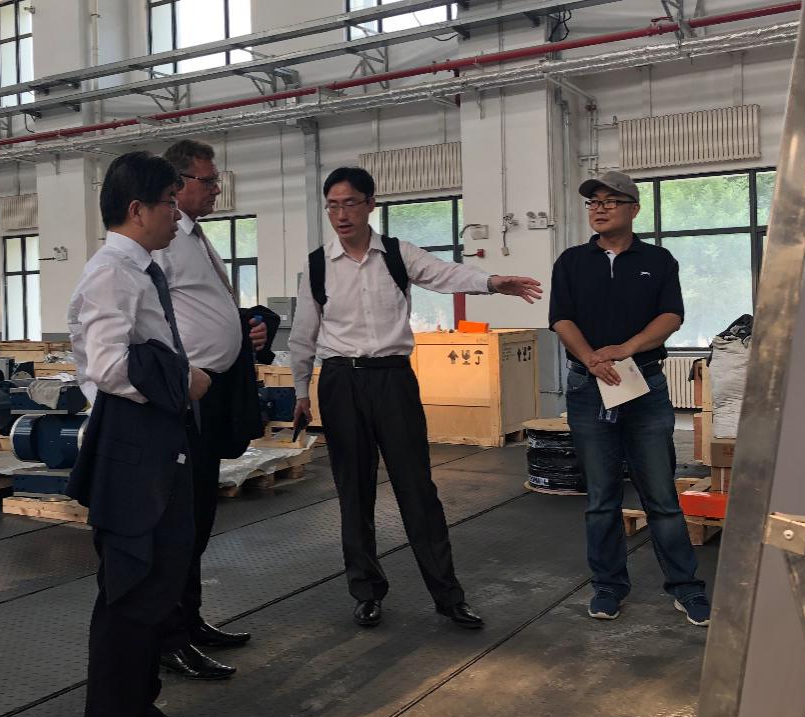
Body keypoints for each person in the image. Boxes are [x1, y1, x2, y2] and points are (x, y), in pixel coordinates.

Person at [288, 167, 543, 629]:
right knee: (353, 492)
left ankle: (448, 597)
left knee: (417, 489)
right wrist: (300, 391)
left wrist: (492, 282)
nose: (341, 215)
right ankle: (366, 592)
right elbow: (303, 334)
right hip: (341, 382)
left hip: (393, 380)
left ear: (370, 204)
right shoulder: (318, 265)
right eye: (332, 206)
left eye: (350, 203)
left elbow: (446, 274)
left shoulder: (397, 254)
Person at [66, 150, 212, 717]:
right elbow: (108, 366)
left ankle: (138, 712)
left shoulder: (141, 269)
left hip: (157, 443)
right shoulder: (112, 274)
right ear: (137, 209)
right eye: (170, 205)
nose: (178, 217)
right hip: (131, 452)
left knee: (157, 591)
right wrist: (185, 380)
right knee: (128, 601)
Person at [548, 169, 710, 627]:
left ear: (634, 209)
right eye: (593, 202)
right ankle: (607, 586)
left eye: (610, 201)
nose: (599, 208)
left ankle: (686, 587)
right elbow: (561, 318)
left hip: (645, 385)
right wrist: (591, 358)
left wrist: (627, 348)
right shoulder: (572, 261)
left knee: (661, 494)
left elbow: (671, 315)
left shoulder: (657, 260)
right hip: (587, 387)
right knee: (601, 497)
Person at [153, 139, 272, 682]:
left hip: (212, 392)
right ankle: (169, 637)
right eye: (209, 180)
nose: (217, 188)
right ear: (177, 184)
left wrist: (244, 327)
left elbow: (197, 307)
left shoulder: (194, 237)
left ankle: (190, 620)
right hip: (185, 398)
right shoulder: (163, 239)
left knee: (200, 516)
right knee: (181, 521)